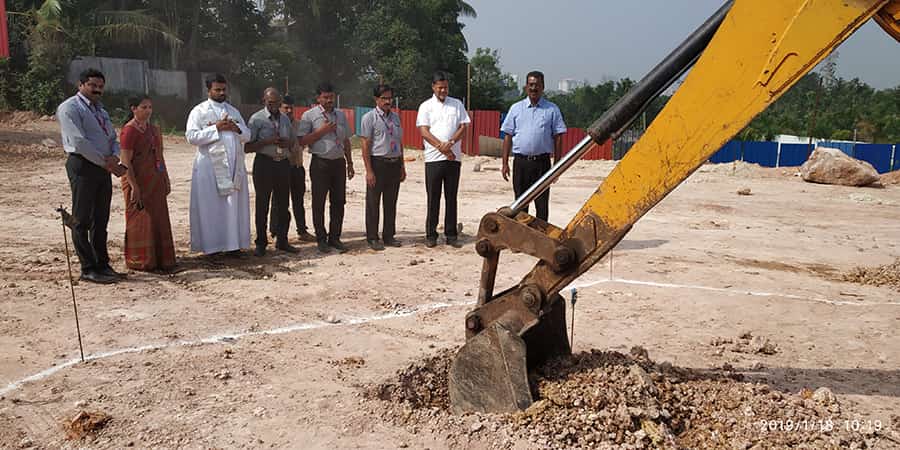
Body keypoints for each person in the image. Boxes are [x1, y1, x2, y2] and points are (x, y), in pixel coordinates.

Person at [57, 68, 127, 284]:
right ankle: (88, 268)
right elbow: (79, 142)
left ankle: (102, 264)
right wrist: (106, 163)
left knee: (101, 219)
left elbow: (112, 138)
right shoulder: (70, 108)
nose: (97, 90)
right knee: (81, 220)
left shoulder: (101, 111)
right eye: (92, 86)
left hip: (103, 168)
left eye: (100, 87)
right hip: (83, 166)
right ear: (81, 85)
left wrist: (114, 157)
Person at [185, 73, 251, 255]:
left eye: (224, 89)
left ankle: (233, 246)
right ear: (209, 90)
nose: (222, 93)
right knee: (211, 207)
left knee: (232, 206)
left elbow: (247, 135)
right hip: (209, 168)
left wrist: (236, 128)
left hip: (233, 168)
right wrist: (216, 128)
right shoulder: (199, 111)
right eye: (217, 90)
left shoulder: (233, 111)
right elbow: (191, 137)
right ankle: (211, 248)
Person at [500, 71, 567, 222]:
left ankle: (541, 240)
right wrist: (504, 163)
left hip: (542, 164)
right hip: (521, 163)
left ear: (543, 87)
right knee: (520, 204)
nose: (533, 88)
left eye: (537, 85)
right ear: (526, 87)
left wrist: (557, 166)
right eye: (531, 85)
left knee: (542, 205)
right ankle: (521, 241)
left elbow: (558, 138)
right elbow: (508, 136)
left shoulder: (552, 110)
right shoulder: (516, 109)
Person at [119, 95, 176, 271]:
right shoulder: (128, 131)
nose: (148, 111)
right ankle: (141, 260)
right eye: (144, 107)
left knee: (159, 217)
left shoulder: (154, 130)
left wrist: (165, 178)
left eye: (150, 107)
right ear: (133, 109)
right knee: (140, 218)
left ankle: (162, 259)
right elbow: (125, 161)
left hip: (155, 180)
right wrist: (134, 186)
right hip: (137, 180)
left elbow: (160, 155)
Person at [298, 82, 354, 254]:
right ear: (318, 98)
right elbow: (301, 141)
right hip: (320, 163)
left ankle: (335, 237)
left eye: (331, 97)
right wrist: (321, 132)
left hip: (338, 163)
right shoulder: (309, 116)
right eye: (326, 97)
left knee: (338, 201)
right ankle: (321, 239)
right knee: (319, 202)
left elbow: (346, 140)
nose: (329, 100)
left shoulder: (340, 115)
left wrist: (349, 162)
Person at [416, 71, 470, 248]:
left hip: (453, 160)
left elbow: (464, 127)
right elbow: (424, 131)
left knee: (451, 197)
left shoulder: (457, 104)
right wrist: (442, 147)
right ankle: (431, 234)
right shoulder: (425, 106)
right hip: (433, 159)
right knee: (433, 197)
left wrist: (451, 142)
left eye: (445, 87)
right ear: (433, 87)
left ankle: (451, 234)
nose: (443, 90)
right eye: (440, 87)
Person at [246, 87, 298, 256]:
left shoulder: (284, 119)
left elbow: (292, 141)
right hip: (264, 164)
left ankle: (282, 241)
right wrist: (267, 141)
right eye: (270, 103)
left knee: (283, 204)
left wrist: (287, 143)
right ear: (264, 101)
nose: (274, 106)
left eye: (277, 103)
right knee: (262, 204)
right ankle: (261, 243)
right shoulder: (256, 120)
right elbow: (247, 147)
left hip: (282, 163)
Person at [359, 84, 405, 251]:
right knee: (373, 202)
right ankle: (372, 237)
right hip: (378, 163)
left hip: (394, 163)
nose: (387, 101)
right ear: (376, 99)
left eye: (389, 98)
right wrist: (369, 170)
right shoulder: (369, 118)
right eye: (384, 98)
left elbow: (400, 142)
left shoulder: (396, 118)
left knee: (391, 202)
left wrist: (402, 166)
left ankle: (389, 235)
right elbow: (365, 144)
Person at [269, 95, 315, 243]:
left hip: (297, 166)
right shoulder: (274, 124)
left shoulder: (300, 125)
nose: (289, 110)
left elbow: (304, 143)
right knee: (278, 201)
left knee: (298, 200)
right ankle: (274, 231)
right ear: (279, 108)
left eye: (291, 108)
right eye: (285, 108)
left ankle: (302, 231)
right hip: (280, 167)